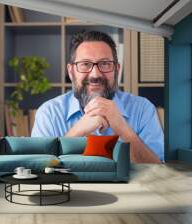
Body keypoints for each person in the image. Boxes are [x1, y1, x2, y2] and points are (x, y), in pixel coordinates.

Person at [31, 30, 164, 163]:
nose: (95, 74)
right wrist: (77, 132)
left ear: (117, 70)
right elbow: (38, 169)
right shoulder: (49, 112)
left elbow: (158, 171)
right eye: (85, 64)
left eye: (105, 63)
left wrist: (122, 128)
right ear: (71, 72)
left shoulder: (143, 109)